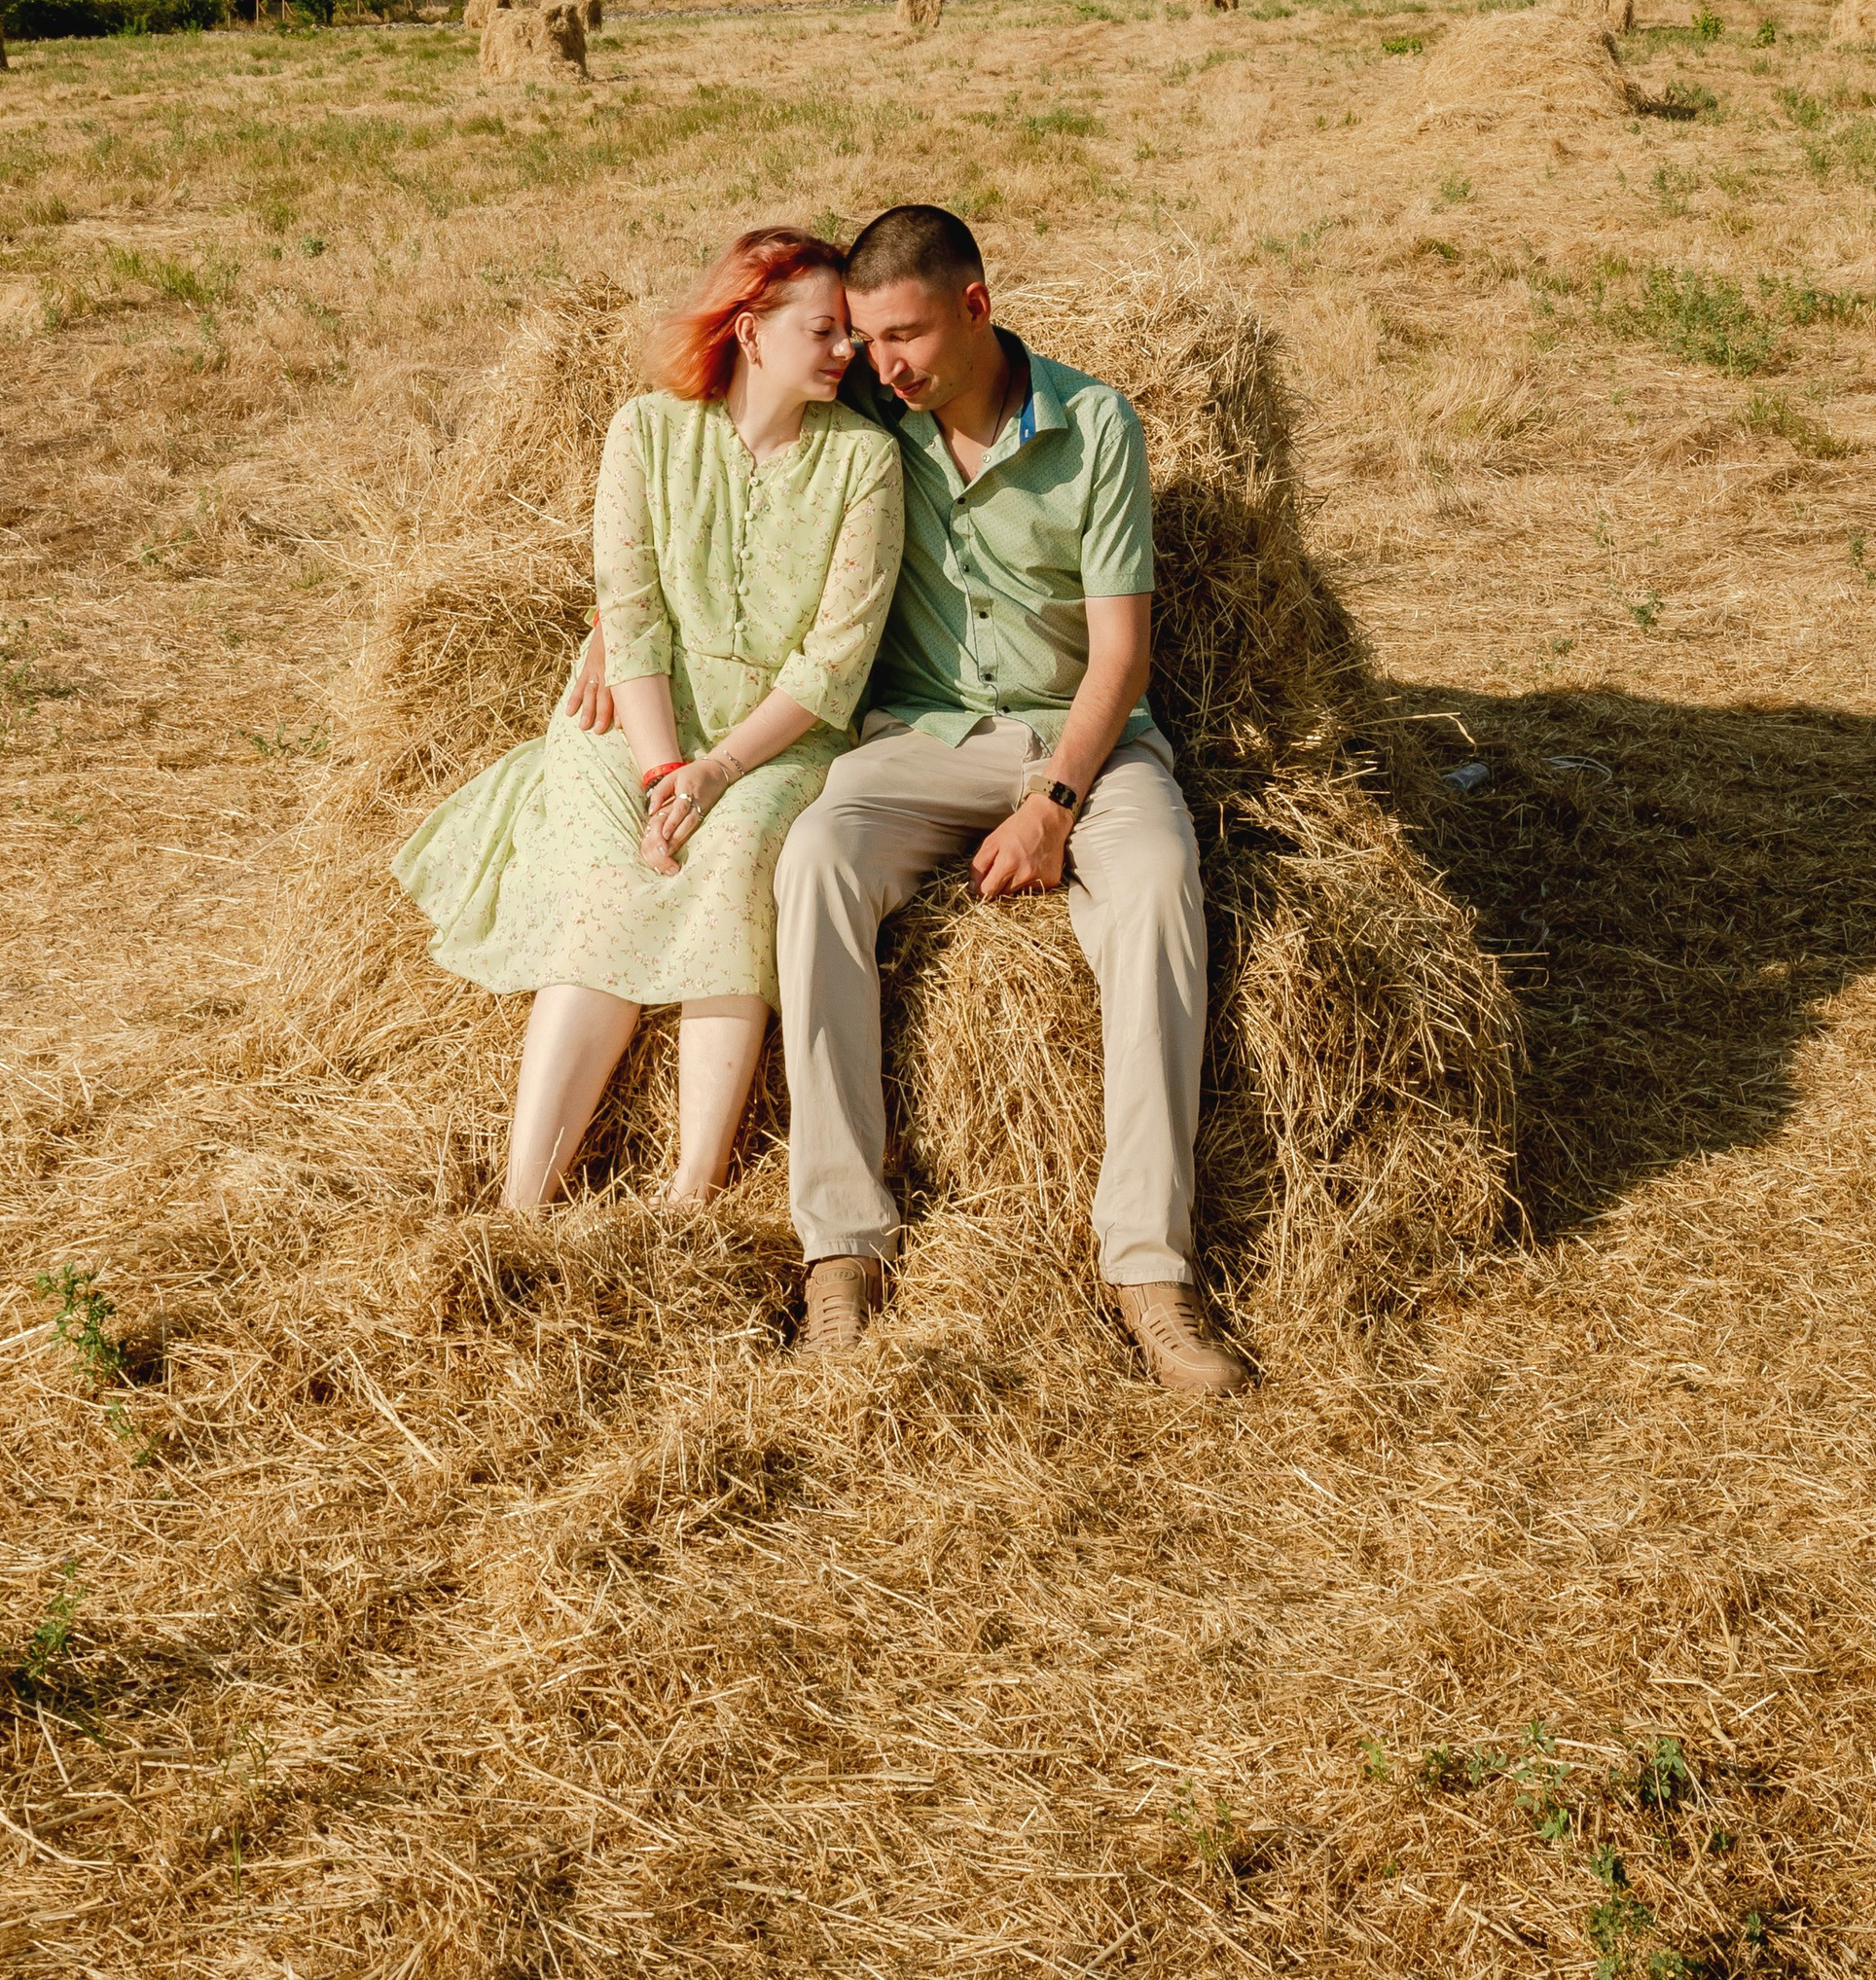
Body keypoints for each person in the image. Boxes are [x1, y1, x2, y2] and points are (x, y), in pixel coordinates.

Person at [575, 201, 1247, 1399]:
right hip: (919, 737)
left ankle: (1150, 1267)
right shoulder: (875, 406)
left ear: (976, 308)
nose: (879, 364)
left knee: (1154, 886)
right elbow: (714, 453)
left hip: (1080, 739)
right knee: (818, 858)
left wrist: (1051, 803)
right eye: (866, 340)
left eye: (904, 337)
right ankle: (841, 1243)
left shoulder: (1094, 428)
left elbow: (1119, 660)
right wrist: (601, 633)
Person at [393, 228, 903, 1216]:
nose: (850, 350)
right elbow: (628, 613)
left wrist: (714, 774)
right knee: (612, 878)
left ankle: (689, 1194)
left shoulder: (865, 464)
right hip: (639, 716)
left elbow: (834, 661)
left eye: (850, 333)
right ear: (750, 330)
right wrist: (663, 765)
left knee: (740, 858)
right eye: (825, 330)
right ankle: (521, 1205)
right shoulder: (646, 432)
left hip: (776, 734)